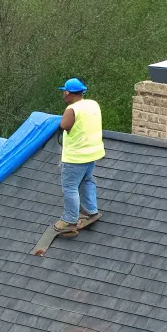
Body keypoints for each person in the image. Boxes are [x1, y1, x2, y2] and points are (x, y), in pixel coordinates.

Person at [54, 78, 103, 237]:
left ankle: (69, 220)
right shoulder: (92, 104)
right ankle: (91, 210)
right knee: (86, 180)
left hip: (76, 157)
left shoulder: (72, 109)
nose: (63, 95)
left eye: (64, 92)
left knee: (69, 187)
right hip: (92, 153)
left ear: (67, 93)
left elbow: (64, 125)